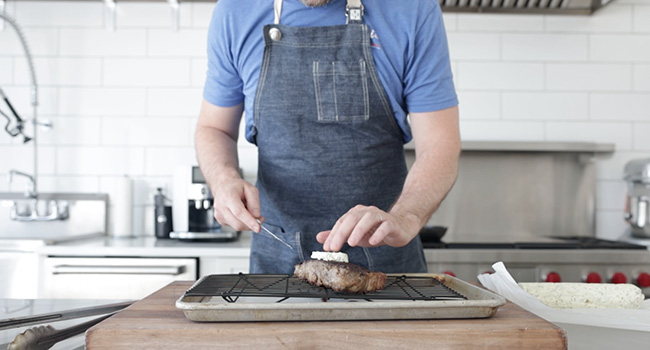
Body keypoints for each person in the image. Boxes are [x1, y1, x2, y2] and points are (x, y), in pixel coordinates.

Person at [195, 0, 460, 274]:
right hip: (276, 259)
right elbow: (215, 129)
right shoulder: (235, 12)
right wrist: (224, 181)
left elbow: (440, 144)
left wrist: (405, 216)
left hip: (386, 264)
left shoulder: (412, 9)